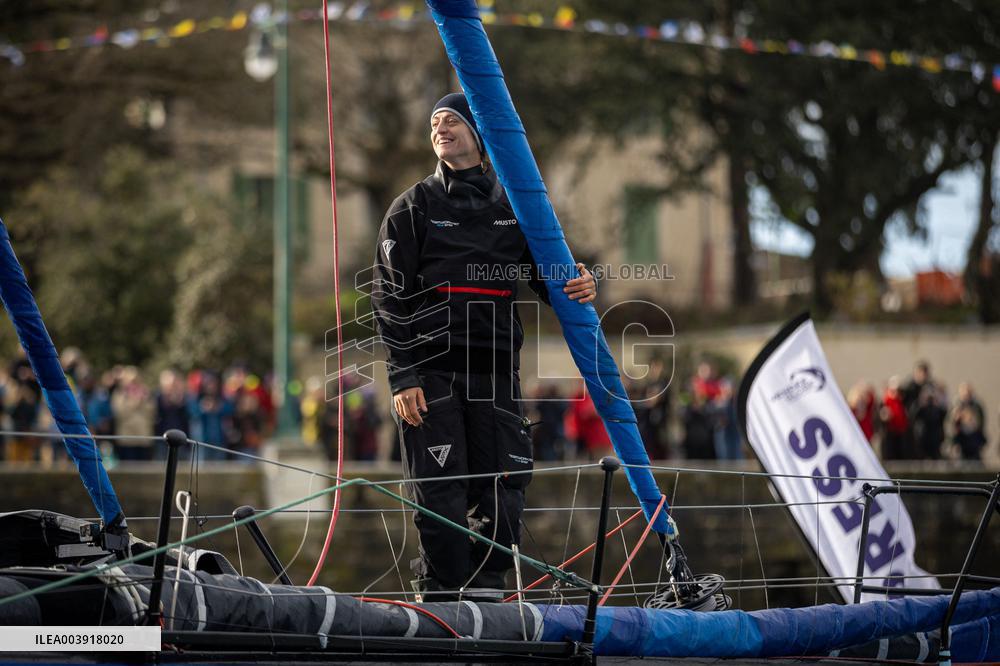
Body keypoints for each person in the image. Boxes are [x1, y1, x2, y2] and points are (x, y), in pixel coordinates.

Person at [371, 92, 596, 600]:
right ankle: (443, 592)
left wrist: (583, 281)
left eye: (452, 120)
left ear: (478, 134)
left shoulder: (515, 205)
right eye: (434, 122)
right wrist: (402, 377)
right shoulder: (412, 207)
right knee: (441, 490)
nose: (440, 128)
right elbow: (388, 298)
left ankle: (489, 592)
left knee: (505, 486)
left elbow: (552, 280)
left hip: (496, 373)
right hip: (431, 374)